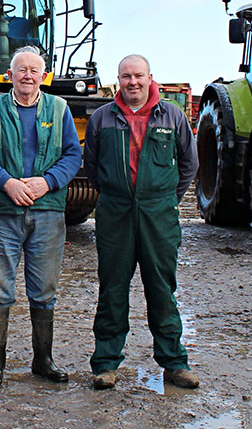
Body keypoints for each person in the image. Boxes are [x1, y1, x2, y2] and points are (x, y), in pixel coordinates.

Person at [83, 54, 200, 390]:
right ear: (117, 80)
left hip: (158, 215)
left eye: (138, 76)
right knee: (112, 290)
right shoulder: (102, 118)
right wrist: (116, 194)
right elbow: (92, 166)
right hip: (115, 214)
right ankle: (106, 364)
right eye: (125, 77)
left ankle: (175, 363)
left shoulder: (173, 115)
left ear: (150, 77)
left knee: (162, 290)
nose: (132, 82)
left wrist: (163, 201)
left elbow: (188, 165)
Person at [0, 46, 81, 386]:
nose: (28, 75)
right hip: (2, 212)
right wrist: (7, 184)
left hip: (47, 212)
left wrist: (48, 182)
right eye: (21, 70)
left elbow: (73, 155)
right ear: (10, 75)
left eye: (34, 70)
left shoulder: (59, 109)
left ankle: (43, 361)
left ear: (44, 76)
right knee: (0, 288)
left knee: (44, 290)